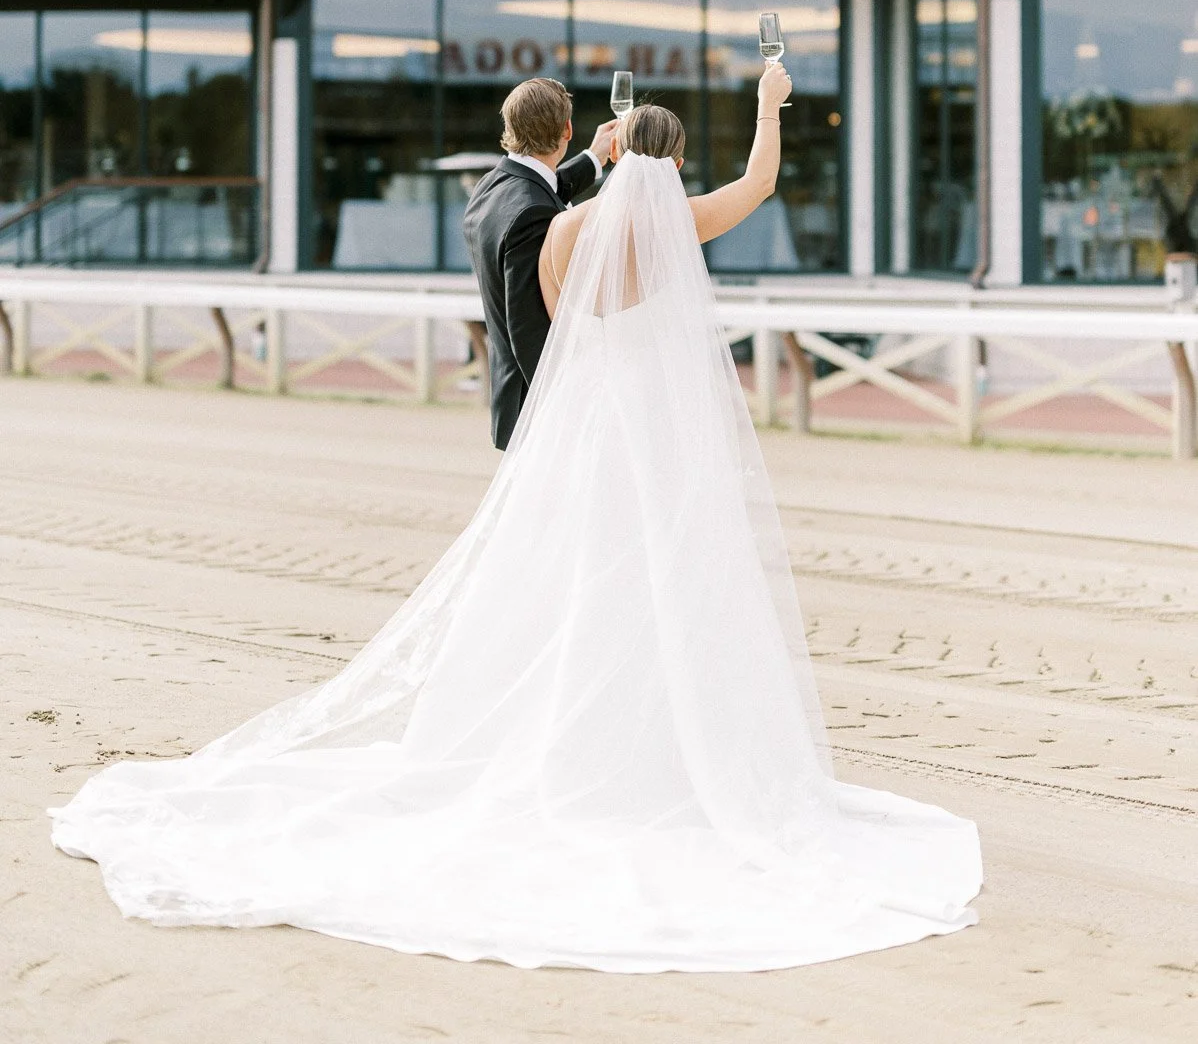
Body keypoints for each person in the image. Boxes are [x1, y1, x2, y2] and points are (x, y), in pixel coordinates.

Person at [51, 63, 982, 972]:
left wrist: (598, 193)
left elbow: (550, 340)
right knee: (663, 593)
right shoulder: (680, 226)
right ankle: (662, 761)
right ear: (674, 163)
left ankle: (550, 744)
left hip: (582, 439)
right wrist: (770, 103)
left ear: (612, 153)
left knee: (564, 590)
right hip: (656, 444)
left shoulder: (562, 230)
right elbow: (763, 181)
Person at [463, 77, 616, 452]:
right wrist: (568, 408)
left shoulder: (492, 186)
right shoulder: (532, 211)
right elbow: (527, 328)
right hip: (539, 407)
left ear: (510, 128)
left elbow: (545, 186)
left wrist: (594, 158)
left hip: (511, 397)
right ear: (567, 129)